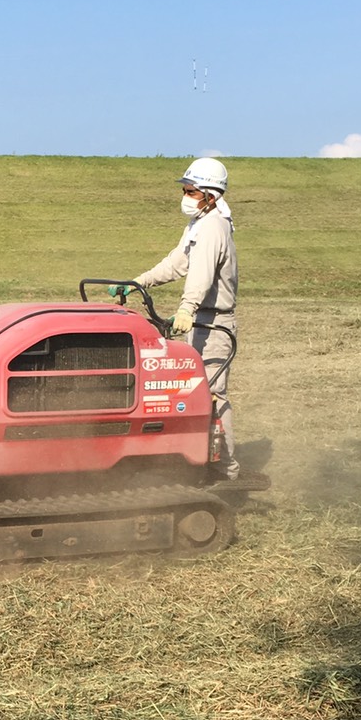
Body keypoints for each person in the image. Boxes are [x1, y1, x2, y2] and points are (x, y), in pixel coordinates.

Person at [113, 157, 240, 480]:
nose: (185, 197)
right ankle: (193, 457)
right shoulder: (198, 224)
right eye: (184, 190)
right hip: (200, 321)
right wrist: (139, 282)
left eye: (191, 191)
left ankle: (225, 469)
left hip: (214, 324)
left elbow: (202, 274)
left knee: (212, 395)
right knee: (190, 394)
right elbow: (177, 263)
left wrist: (187, 307)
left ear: (210, 195)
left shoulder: (213, 227)